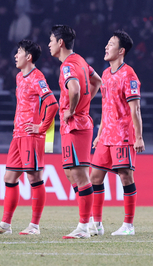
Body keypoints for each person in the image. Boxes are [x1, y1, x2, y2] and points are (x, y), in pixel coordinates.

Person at [0, 40, 58, 236]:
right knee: (9, 177)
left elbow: (52, 104)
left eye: (19, 52)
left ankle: (34, 226)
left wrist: (41, 127)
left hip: (31, 136)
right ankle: (5, 224)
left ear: (29, 57)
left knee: (34, 177)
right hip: (18, 135)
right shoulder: (19, 77)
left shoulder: (37, 77)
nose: (15, 56)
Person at [48, 25, 102, 239]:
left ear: (60, 42)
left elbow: (76, 89)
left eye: (51, 40)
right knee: (70, 172)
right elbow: (97, 81)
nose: (49, 44)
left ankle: (84, 226)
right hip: (74, 124)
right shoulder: (80, 60)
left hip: (76, 124)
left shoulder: (68, 66)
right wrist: (85, 103)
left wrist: (73, 109)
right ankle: (87, 222)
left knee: (80, 174)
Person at [90, 31, 145, 236]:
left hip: (123, 134)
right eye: (107, 43)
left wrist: (138, 136)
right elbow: (106, 107)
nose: (106, 47)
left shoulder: (128, 74)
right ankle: (97, 224)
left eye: (111, 44)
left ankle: (128, 225)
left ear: (121, 51)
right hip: (106, 135)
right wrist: (99, 132)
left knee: (125, 176)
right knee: (95, 176)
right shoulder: (105, 74)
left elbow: (135, 109)